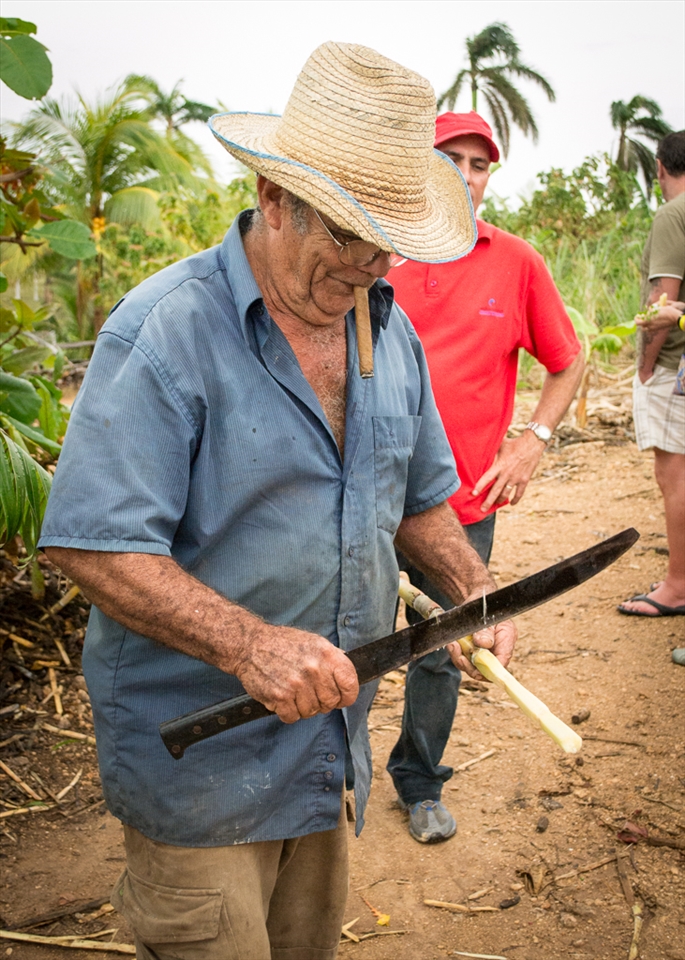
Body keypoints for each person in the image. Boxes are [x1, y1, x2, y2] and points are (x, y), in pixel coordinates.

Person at [38, 45, 517, 960]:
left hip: (326, 755)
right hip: (202, 763)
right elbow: (92, 544)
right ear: (272, 199)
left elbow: (412, 494)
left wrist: (465, 578)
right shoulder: (166, 331)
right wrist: (249, 644)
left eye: (386, 245)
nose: (367, 267)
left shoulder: (385, 323)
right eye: (345, 236)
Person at [387, 111, 583, 844]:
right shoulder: (378, 251)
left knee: (446, 646)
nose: (465, 176)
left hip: (461, 499)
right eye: (451, 159)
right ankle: (323, 785)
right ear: (421, 166)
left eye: (478, 163)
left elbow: (567, 360)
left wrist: (531, 440)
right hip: (363, 498)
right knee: (343, 640)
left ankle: (418, 781)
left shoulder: (516, 261)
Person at [618, 130, 685, 625]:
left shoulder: (672, 213)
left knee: (674, 474)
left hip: (674, 366)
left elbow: (663, 298)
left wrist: (645, 366)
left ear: (660, 166)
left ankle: (678, 585)